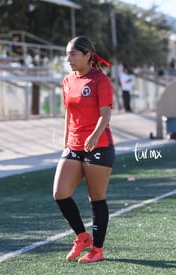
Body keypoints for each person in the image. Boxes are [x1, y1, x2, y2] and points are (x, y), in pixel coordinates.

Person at [53, 36, 115, 263]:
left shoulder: (100, 81)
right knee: (60, 193)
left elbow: (105, 113)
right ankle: (81, 236)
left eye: (73, 54)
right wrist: (66, 141)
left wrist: (94, 135)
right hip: (74, 145)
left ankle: (97, 249)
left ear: (87, 55)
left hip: (99, 145)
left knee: (96, 198)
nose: (68, 59)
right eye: (67, 54)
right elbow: (69, 113)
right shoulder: (68, 81)